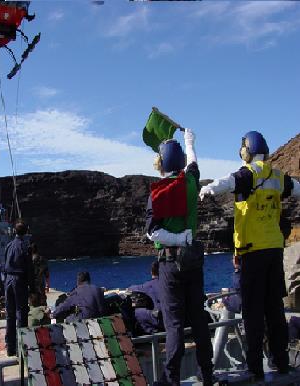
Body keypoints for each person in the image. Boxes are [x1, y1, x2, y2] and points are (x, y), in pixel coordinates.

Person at [199, 130, 300, 378]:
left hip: (251, 252)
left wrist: (207, 189)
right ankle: (281, 362)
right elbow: (297, 187)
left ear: (247, 150)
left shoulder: (247, 174)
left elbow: (226, 182)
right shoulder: (278, 177)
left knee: (253, 314)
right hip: (274, 250)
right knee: (275, 310)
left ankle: (255, 368)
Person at [145, 128, 214, 385]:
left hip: (170, 264)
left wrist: (177, 238)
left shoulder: (159, 192)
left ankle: (172, 380)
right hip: (193, 261)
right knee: (198, 318)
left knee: (174, 324)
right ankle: (207, 374)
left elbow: (152, 232)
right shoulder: (192, 182)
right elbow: (194, 162)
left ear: (163, 163)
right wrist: (189, 140)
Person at [4, 220, 34, 356]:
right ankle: (21, 348)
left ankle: (10, 347)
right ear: (25, 231)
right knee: (21, 313)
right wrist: (32, 288)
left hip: (8, 280)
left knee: (10, 315)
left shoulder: (9, 246)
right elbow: (29, 269)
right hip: (19, 280)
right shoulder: (24, 247)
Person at [128, 261, 163, 335]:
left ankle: (150, 331)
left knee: (138, 312)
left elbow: (132, 289)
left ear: (151, 272)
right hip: (175, 318)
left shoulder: (148, 285)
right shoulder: (170, 284)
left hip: (161, 321)